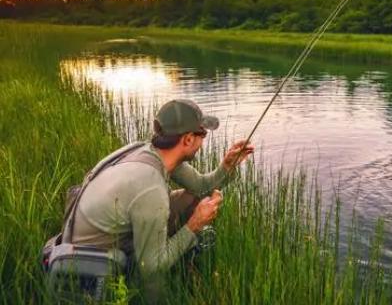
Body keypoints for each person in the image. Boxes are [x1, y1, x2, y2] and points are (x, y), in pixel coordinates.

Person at [68, 98, 254, 298]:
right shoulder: (150, 188)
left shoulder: (150, 151)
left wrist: (227, 166)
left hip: (106, 235)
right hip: (93, 265)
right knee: (154, 270)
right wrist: (194, 225)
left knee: (194, 197)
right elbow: (150, 267)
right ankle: (155, 298)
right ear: (188, 139)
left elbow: (201, 187)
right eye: (203, 134)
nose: (203, 141)